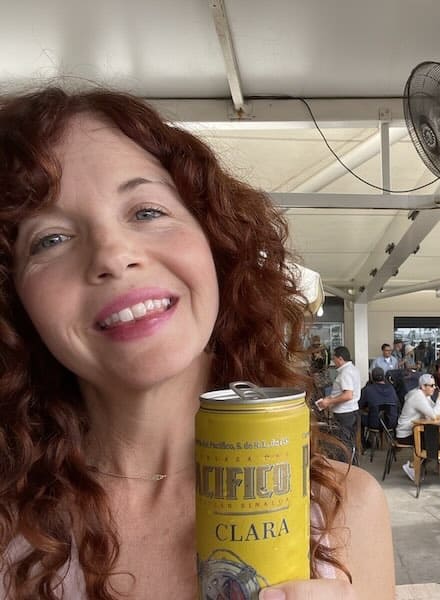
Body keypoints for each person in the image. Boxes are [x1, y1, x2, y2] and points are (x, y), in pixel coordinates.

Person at [0, 86, 393, 599]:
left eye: (145, 211)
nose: (113, 255)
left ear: (215, 244)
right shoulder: (10, 528)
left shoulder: (346, 510)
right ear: (15, 303)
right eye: (50, 238)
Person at [395, 374, 440, 481]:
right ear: (423, 387)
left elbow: (434, 411)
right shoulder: (417, 396)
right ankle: (413, 467)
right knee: (430, 445)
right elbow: (434, 415)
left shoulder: (424, 396)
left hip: (414, 431)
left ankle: (439, 467)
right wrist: (439, 400)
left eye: (434, 386)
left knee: (435, 443)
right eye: (431, 386)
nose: (434, 388)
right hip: (405, 433)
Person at [318, 346, 362, 457]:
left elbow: (348, 395)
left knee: (343, 444)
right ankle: (352, 465)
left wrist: (329, 401)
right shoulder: (353, 369)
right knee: (350, 442)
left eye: (334, 358)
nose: (333, 361)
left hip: (344, 413)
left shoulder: (345, 373)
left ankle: (345, 467)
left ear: (340, 358)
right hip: (352, 411)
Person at [358, 366, 399, 434]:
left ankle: (362, 443)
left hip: (374, 423)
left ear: (371, 377)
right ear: (384, 377)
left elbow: (359, 405)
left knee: (358, 415)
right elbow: (397, 404)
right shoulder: (391, 389)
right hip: (391, 423)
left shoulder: (367, 389)